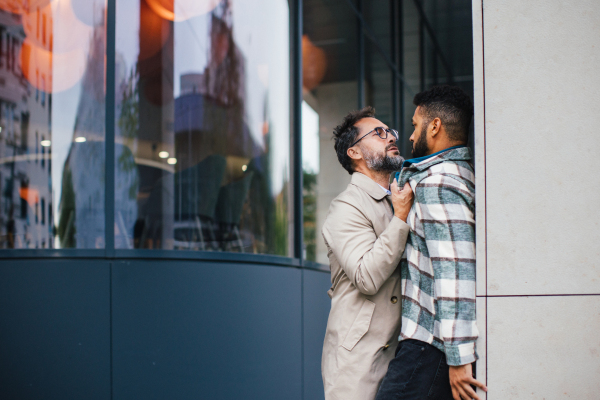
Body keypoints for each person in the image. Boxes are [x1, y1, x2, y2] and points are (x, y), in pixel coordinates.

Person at [375, 85, 487, 400]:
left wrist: (459, 356)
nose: (410, 137)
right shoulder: (461, 175)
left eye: (415, 125)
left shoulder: (437, 182)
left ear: (434, 126)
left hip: (429, 343)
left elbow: (455, 270)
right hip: (433, 344)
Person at [321, 107, 414, 400]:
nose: (390, 136)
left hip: (401, 354)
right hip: (356, 362)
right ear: (354, 152)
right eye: (378, 133)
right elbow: (366, 278)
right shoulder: (346, 207)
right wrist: (400, 219)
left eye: (390, 131)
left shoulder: (399, 196)